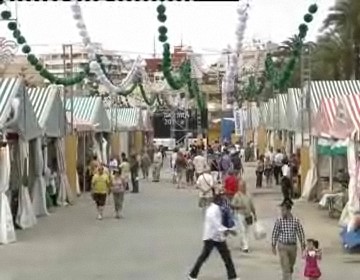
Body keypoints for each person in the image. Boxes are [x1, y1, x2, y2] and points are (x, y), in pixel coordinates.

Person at [187, 193, 239, 280]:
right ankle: (192, 275)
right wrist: (229, 230)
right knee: (204, 257)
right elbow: (217, 225)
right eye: (222, 201)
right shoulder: (212, 211)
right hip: (210, 237)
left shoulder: (218, 209)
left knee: (226, 257)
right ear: (218, 201)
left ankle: (232, 276)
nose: (224, 203)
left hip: (218, 237)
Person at [271, 199, 306, 280]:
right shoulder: (279, 220)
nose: (282, 212)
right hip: (282, 246)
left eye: (283, 210)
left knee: (291, 265)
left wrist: (302, 244)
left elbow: (300, 232)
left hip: (293, 247)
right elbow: (275, 233)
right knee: (285, 267)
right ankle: (287, 277)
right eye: (281, 210)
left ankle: (289, 273)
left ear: (289, 210)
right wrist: (273, 245)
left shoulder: (295, 221)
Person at [231, 181, 257, 252]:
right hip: (240, 214)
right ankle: (245, 246)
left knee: (247, 230)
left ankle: (243, 243)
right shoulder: (237, 195)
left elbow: (252, 205)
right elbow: (232, 205)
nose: (242, 188)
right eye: (241, 186)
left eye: (243, 186)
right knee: (242, 230)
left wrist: (254, 214)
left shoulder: (248, 195)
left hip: (248, 215)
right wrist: (239, 206)